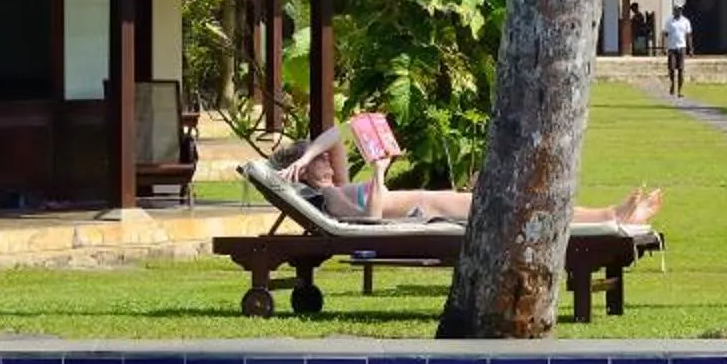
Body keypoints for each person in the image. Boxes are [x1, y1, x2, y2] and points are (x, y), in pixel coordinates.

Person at [277, 119, 662, 228]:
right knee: (519, 206)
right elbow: (373, 217)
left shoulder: (336, 180)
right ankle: (611, 215)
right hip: (427, 209)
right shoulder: (329, 196)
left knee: (521, 202)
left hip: (432, 201)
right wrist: (378, 173)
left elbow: (335, 134)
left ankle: (612, 214)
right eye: (319, 162)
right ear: (310, 175)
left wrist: (305, 152)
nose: (328, 161)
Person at [660, 2, 693, 95]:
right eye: (676, 9)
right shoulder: (669, 21)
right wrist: (664, 47)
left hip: (681, 47)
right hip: (671, 48)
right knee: (671, 68)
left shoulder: (686, 21)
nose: (677, 11)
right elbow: (665, 34)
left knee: (681, 69)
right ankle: (672, 84)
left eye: (679, 9)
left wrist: (690, 48)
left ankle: (680, 90)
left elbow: (688, 35)